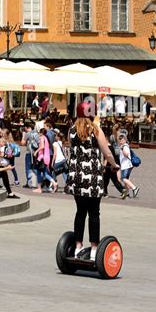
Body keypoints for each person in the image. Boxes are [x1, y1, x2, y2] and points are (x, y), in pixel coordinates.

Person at [65, 101, 120, 260]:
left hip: (76, 177)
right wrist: (114, 165)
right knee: (94, 212)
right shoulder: (95, 130)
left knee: (80, 212)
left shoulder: (72, 130)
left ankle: (77, 246)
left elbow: (73, 150)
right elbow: (107, 153)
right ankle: (95, 249)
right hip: (92, 178)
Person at [33, 128, 58, 193]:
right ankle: (54, 183)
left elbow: (42, 146)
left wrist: (36, 151)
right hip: (47, 157)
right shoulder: (46, 138)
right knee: (45, 173)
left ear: (41, 133)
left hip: (42, 157)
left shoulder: (42, 138)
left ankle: (39, 188)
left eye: (39, 133)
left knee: (38, 172)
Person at [117, 133, 140, 199]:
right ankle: (126, 193)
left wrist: (123, 150)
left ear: (125, 140)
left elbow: (126, 154)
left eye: (122, 139)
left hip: (126, 165)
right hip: (125, 165)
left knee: (123, 178)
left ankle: (134, 188)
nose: (120, 141)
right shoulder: (123, 146)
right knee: (126, 179)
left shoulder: (125, 146)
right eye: (119, 139)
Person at [21, 122, 40, 188]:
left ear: (27, 127)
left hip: (29, 153)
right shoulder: (37, 134)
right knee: (35, 167)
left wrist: (23, 135)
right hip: (36, 152)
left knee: (28, 168)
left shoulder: (27, 134)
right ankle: (40, 180)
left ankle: (29, 182)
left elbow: (23, 143)